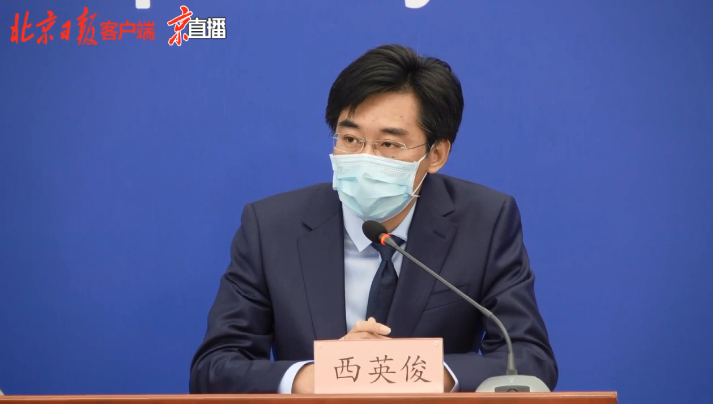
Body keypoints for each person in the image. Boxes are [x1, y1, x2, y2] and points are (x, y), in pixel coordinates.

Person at [189, 44, 558, 394]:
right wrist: (316, 375)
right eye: (350, 139)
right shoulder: (271, 227)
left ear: (436, 154)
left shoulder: (484, 221)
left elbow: (529, 358)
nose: (365, 158)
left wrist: (409, 373)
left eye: (389, 144)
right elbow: (215, 367)